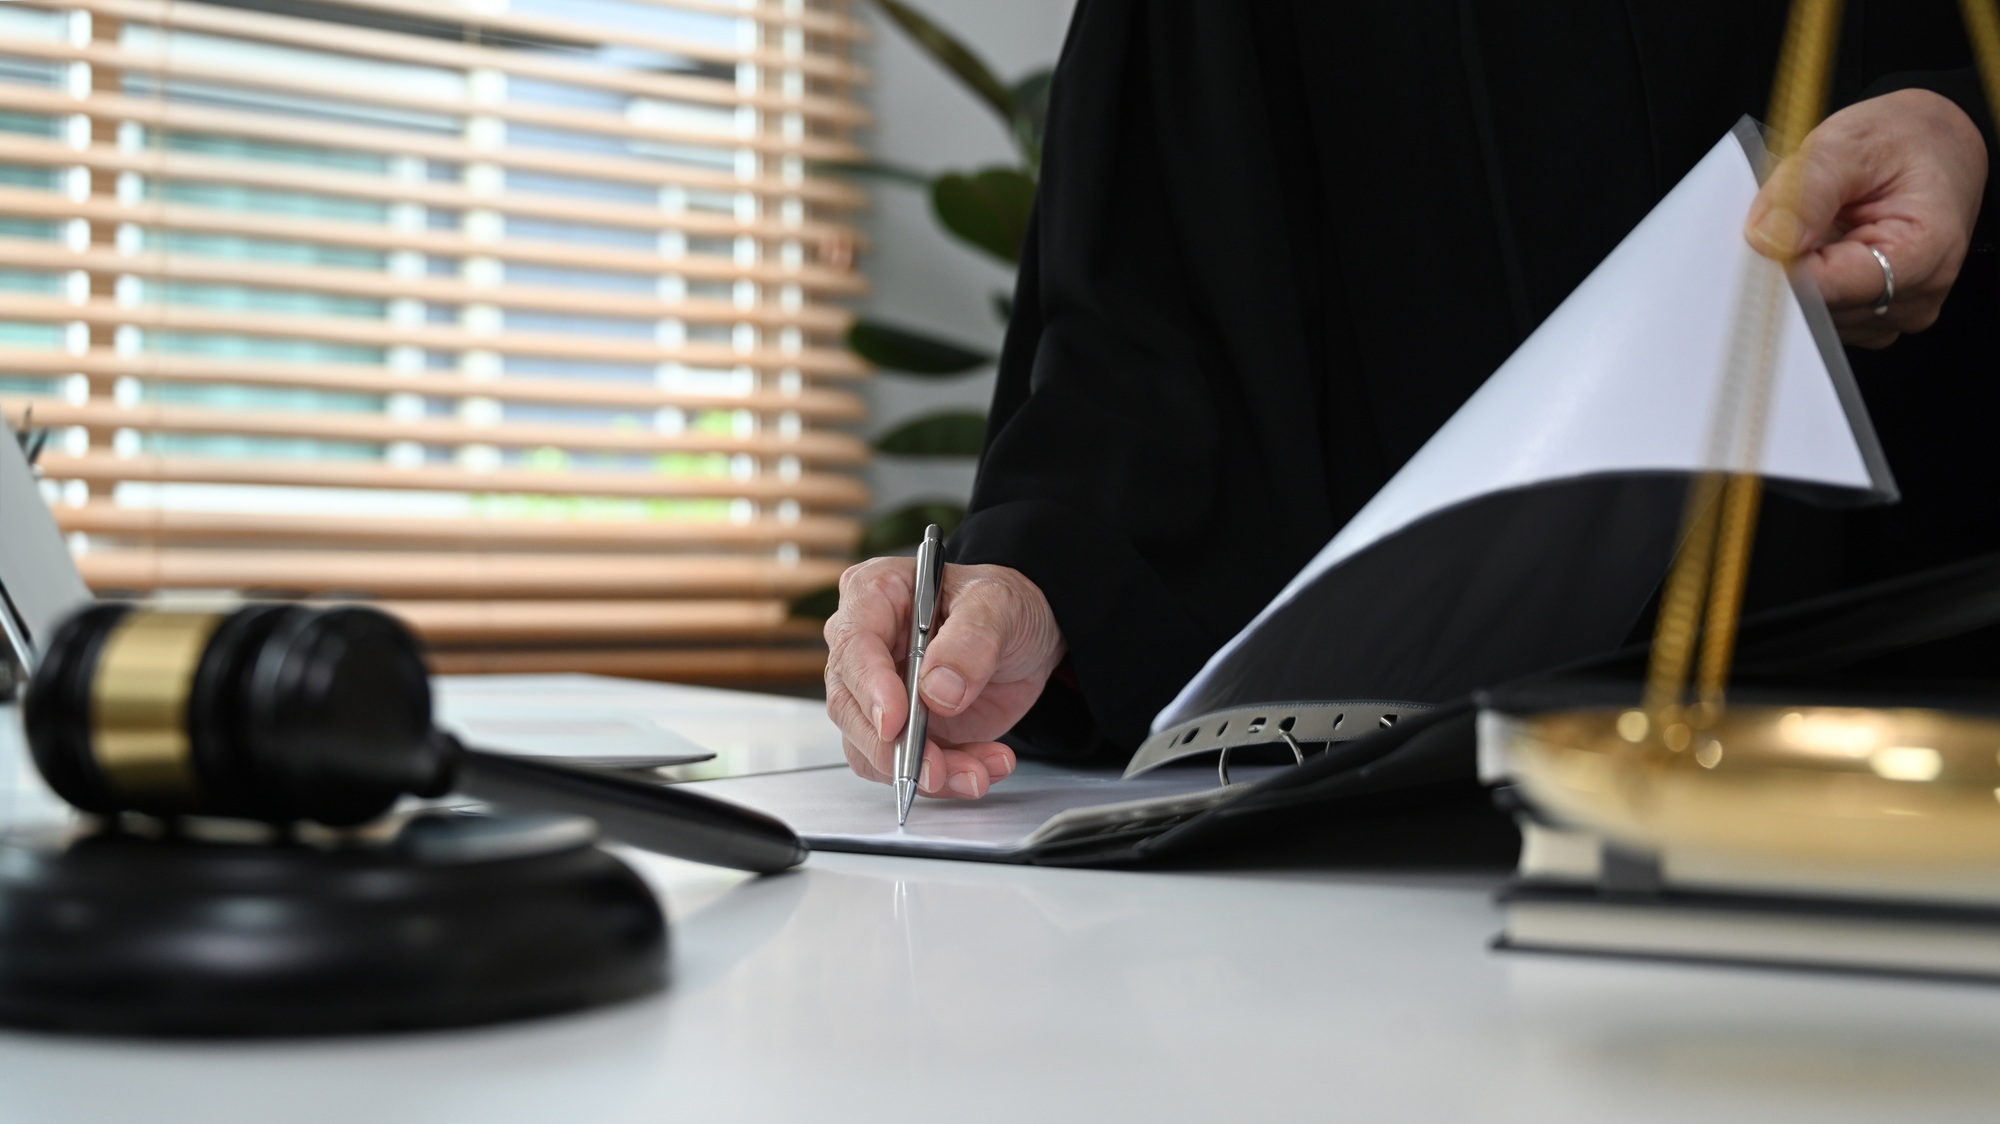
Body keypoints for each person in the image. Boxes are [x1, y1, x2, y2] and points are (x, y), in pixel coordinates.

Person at [825, 2, 1998, 803]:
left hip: (1889, 742)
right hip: (1371, 870)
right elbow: (1154, 316)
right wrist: (1041, 591)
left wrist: (1966, 123)